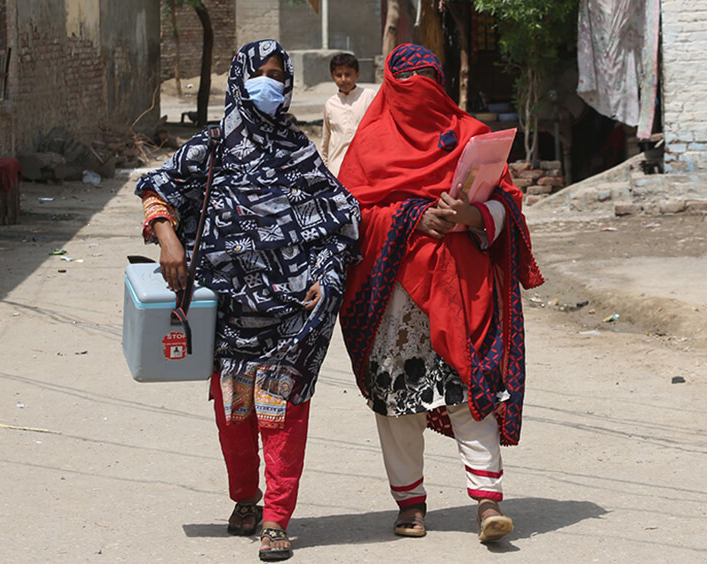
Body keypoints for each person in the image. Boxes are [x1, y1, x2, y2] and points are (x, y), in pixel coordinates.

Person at [136, 39, 360, 561]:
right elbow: (156, 187)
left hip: (293, 312)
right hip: (228, 310)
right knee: (235, 415)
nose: (271, 82)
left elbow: (343, 219)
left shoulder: (297, 148)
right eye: (262, 73)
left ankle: (278, 518)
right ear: (241, 77)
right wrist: (166, 236)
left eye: (279, 75)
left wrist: (325, 278)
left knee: (282, 413)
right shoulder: (211, 146)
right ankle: (245, 500)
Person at [338, 44, 544, 543]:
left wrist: (471, 216)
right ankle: (410, 502)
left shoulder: (472, 135)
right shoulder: (369, 145)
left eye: (428, 84)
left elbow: (507, 206)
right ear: (391, 87)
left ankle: (487, 500)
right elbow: (351, 218)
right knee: (398, 399)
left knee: (472, 388)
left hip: (463, 288)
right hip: (395, 297)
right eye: (409, 87)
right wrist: (412, 218)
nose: (420, 97)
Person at [321, 53, 376, 176]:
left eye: (348, 74)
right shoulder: (330, 104)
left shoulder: (369, 97)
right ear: (332, 76)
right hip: (337, 169)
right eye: (339, 75)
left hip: (364, 168)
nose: (343, 79)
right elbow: (326, 140)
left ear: (357, 74)